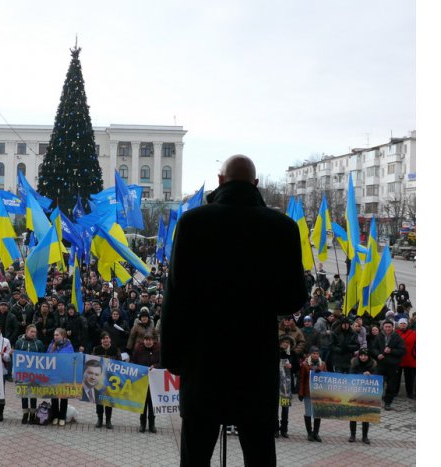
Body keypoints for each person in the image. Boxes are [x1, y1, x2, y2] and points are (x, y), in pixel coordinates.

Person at [161, 155, 306, 467]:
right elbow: (293, 299)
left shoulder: (193, 223)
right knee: (259, 454)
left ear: (220, 181)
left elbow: (175, 296)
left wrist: (172, 358)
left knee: (196, 455)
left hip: (203, 363)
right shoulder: (282, 228)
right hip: (255, 365)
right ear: (255, 184)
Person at [369, 320, 406, 410]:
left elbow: (403, 351)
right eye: (386, 327)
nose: (388, 328)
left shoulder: (397, 337)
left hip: (392, 365)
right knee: (378, 383)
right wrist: (378, 354)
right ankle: (376, 400)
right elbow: (373, 348)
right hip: (381, 365)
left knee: (391, 385)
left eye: (389, 327)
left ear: (392, 327)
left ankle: (388, 402)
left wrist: (391, 351)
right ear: (383, 327)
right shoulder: (379, 336)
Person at [13, 324, 45, 424]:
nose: (33, 334)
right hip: (23, 373)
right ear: (27, 332)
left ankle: (33, 414)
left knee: (33, 393)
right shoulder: (19, 342)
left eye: (35, 332)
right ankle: (25, 413)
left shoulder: (39, 343)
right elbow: (16, 357)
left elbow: (43, 358)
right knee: (24, 393)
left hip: (35, 373)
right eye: (31, 331)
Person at [131, 333, 161, 433]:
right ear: (143, 341)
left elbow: (163, 363)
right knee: (142, 404)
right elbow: (132, 362)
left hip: (154, 383)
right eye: (146, 340)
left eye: (150, 340)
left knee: (152, 405)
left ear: (153, 341)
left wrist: (155, 366)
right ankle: (142, 424)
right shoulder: (138, 350)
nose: (148, 342)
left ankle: (152, 424)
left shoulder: (158, 350)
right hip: (141, 382)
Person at [91, 332, 121, 428]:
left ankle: (108, 420)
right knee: (99, 400)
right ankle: (99, 419)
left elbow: (120, 364)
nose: (105, 340)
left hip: (111, 379)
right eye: (103, 338)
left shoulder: (115, 350)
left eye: (107, 338)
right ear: (101, 340)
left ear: (110, 339)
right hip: (99, 379)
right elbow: (92, 362)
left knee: (108, 400)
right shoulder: (96, 349)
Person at [298, 346, 327, 442]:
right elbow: (302, 380)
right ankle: (309, 433)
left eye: (317, 353)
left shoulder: (322, 364)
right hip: (308, 392)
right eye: (313, 353)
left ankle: (316, 433)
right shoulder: (305, 364)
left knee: (317, 412)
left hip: (319, 392)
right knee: (308, 412)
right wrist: (301, 392)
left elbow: (326, 378)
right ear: (310, 354)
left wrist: (321, 372)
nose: (315, 355)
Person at [47, 328, 74, 426]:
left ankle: (62, 416)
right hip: (53, 375)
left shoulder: (69, 346)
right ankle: (55, 416)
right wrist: (52, 350)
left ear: (63, 336)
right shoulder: (51, 345)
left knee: (63, 396)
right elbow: (47, 358)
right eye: (54, 335)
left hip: (64, 375)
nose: (55, 337)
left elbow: (71, 359)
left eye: (57, 335)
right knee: (54, 396)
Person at [349, 349, 376, 443]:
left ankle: (365, 436)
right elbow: (351, 376)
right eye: (361, 355)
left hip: (367, 393)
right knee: (353, 415)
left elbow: (378, 378)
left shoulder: (373, 364)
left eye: (365, 355)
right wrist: (361, 375)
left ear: (368, 356)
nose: (363, 357)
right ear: (359, 356)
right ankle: (352, 435)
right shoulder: (354, 364)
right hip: (355, 392)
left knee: (366, 415)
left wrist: (371, 375)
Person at [395, 318, 416, 399]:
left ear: (407, 324)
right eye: (401, 323)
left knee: (410, 377)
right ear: (398, 325)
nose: (403, 325)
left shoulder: (414, 333)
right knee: (396, 377)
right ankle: (395, 392)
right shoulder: (395, 333)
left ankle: (410, 393)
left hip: (410, 358)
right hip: (398, 359)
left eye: (404, 323)